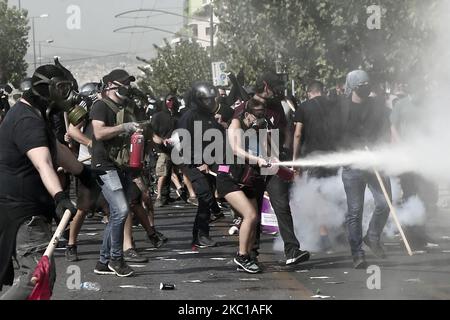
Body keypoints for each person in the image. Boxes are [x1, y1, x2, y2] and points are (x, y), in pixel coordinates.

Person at [0, 64, 97, 299]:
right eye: (62, 88)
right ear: (44, 88)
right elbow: (42, 161)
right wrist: (60, 196)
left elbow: (55, 148)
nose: (68, 95)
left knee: (36, 276)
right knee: (36, 278)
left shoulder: (33, 114)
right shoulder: (27, 120)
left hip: (18, 208)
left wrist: (82, 172)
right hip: (25, 213)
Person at [90, 69, 142, 277]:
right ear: (111, 85)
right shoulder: (100, 106)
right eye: (123, 84)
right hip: (105, 166)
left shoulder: (126, 106)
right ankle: (116, 259)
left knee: (118, 212)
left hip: (121, 165)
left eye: (129, 83)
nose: (127, 87)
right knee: (120, 211)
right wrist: (124, 127)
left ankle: (103, 262)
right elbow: (99, 132)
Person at [338, 70, 392, 269]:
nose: (366, 88)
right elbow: (334, 134)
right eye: (361, 85)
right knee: (355, 211)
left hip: (375, 163)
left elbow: (384, 130)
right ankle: (357, 253)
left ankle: (373, 236)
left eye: (368, 84)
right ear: (352, 86)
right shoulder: (342, 108)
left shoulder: (376, 106)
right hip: (353, 168)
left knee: (384, 203)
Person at [216, 98, 268, 273]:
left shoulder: (255, 129)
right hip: (228, 178)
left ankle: (249, 256)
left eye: (263, 113)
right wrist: (258, 159)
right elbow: (237, 149)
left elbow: (263, 149)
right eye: (258, 114)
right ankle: (242, 256)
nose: (261, 117)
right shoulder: (236, 124)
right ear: (247, 114)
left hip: (245, 179)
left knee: (254, 219)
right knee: (250, 215)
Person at [292, 80, 339, 252]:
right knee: (331, 193)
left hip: (313, 157)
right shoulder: (335, 104)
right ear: (322, 90)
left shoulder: (304, 107)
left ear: (308, 92)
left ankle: (324, 235)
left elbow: (297, 135)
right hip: (333, 156)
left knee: (318, 195)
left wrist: (295, 160)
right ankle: (332, 230)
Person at [176, 82, 223, 248]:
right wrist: (199, 162)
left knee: (207, 197)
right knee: (205, 195)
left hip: (208, 162)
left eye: (212, 100)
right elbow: (183, 141)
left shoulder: (209, 116)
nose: (210, 103)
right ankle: (201, 235)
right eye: (206, 100)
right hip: (191, 163)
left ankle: (200, 235)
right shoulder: (189, 116)